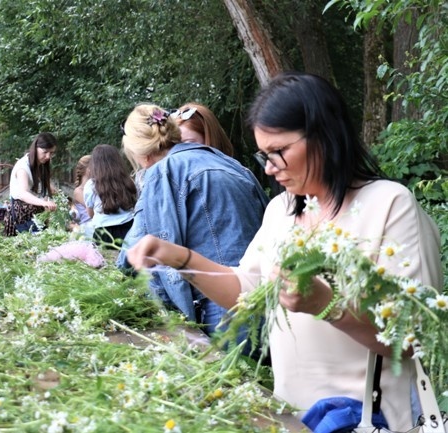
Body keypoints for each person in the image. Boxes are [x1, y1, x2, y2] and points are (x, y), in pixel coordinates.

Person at [124, 73, 442, 431]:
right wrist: (178, 257)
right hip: (294, 418)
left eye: (279, 151)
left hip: (370, 420)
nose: (271, 168)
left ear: (324, 136)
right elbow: (246, 291)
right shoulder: (282, 209)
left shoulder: (389, 205)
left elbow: (414, 338)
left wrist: (328, 303)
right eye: (264, 155)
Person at [117, 104, 268, 337]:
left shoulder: (162, 172)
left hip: (224, 316)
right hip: (269, 304)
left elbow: (138, 252)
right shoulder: (235, 165)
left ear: (142, 156)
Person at [5, 132, 58, 235]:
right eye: (45, 152)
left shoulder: (40, 164)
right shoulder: (23, 167)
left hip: (35, 216)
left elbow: (43, 188)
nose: (48, 157)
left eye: (51, 153)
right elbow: (23, 193)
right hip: (21, 217)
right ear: (36, 148)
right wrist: (44, 203)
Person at [83, 144, 136, 247]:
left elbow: (90, 213)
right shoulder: (128, 181)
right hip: (129, 229)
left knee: (105, 262)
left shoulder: (91, 185)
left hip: (103, 233)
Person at [69, 155, 93, 234]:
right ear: (88, 169)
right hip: (87, 228)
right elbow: (93, 208)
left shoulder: (93, 187)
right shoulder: (78, 191)